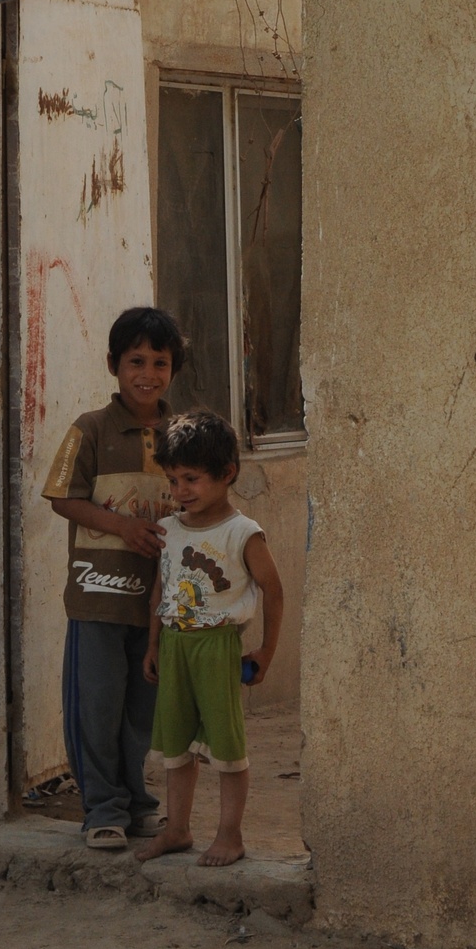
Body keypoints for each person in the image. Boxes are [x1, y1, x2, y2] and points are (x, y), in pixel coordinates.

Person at [42, 306, 187, 850]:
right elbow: (61, 498)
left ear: (173, 369)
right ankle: (101, 807)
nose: (147, 373)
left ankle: (136, 802)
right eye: (135, 361)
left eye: (160, 362)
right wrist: (124, 528)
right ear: (113, 364)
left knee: (141, 710)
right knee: (96, 705)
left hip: (159, 602)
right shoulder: (91, 430)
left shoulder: (183, 434)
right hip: (100, 596)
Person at [136, 409, 284, 868]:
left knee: (226, 748)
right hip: (175, 646)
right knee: (175, 748)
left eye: (193, 479)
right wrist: (154, 644)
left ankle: (229, 835)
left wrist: (266, 652)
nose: (181, 491)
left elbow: (274, 591)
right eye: (174, 480)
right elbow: (161, 589)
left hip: (217, 648)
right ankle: (177, 830)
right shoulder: (171, 529)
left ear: (227, 474)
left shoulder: (242, 533)